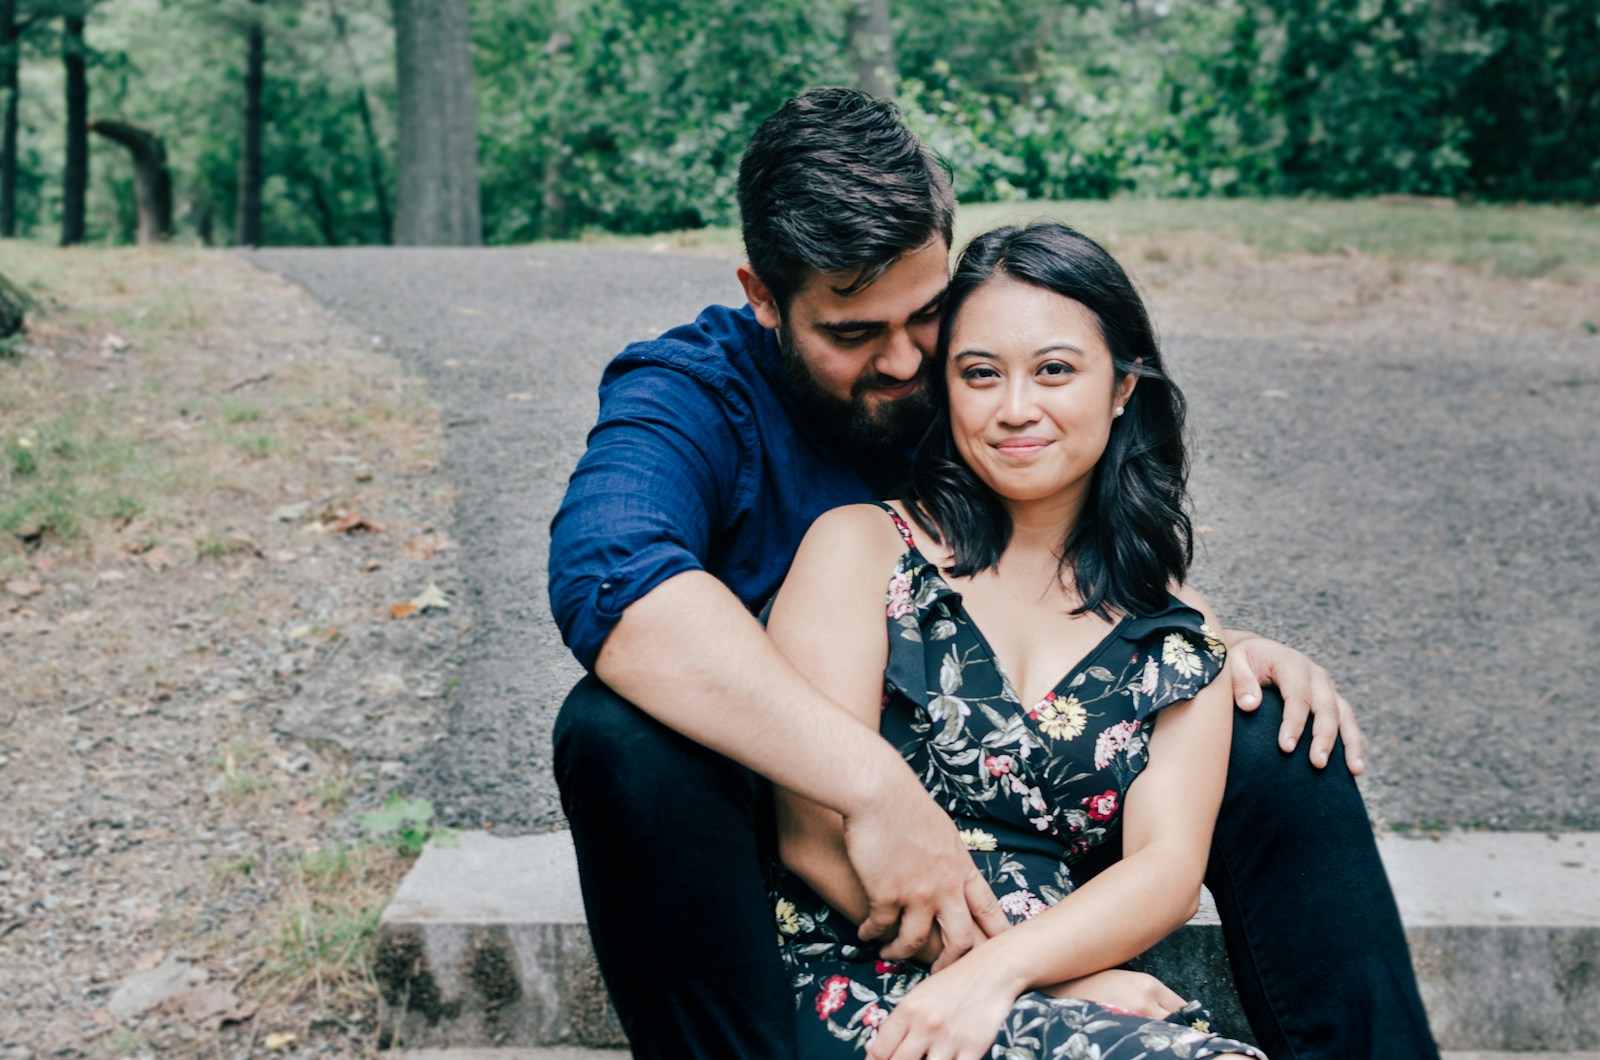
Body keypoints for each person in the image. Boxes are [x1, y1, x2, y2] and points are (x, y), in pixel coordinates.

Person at [549, 87, 1438, 1060]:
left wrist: (1204, 648)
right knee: (618, 731)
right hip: (805, 835)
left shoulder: (971, 373)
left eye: (927, 317)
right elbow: (615, 583)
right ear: (764, 296)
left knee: (1266, 720)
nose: (902, 362)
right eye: (852, 333)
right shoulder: (698, 398)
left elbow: (1070, 536)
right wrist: (874, 789)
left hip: (1028, 813)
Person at [767, 219, 1264, 1059]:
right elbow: (810, 836)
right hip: (861, 970)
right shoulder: (859, 549)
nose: (1015, 409)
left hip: (1052, 978)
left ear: (1121, 387)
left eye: (1055, 371)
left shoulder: (1176, 632)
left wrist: (1015, 975)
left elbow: (1169, 873)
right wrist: (1019, 976)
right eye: (979, 374)